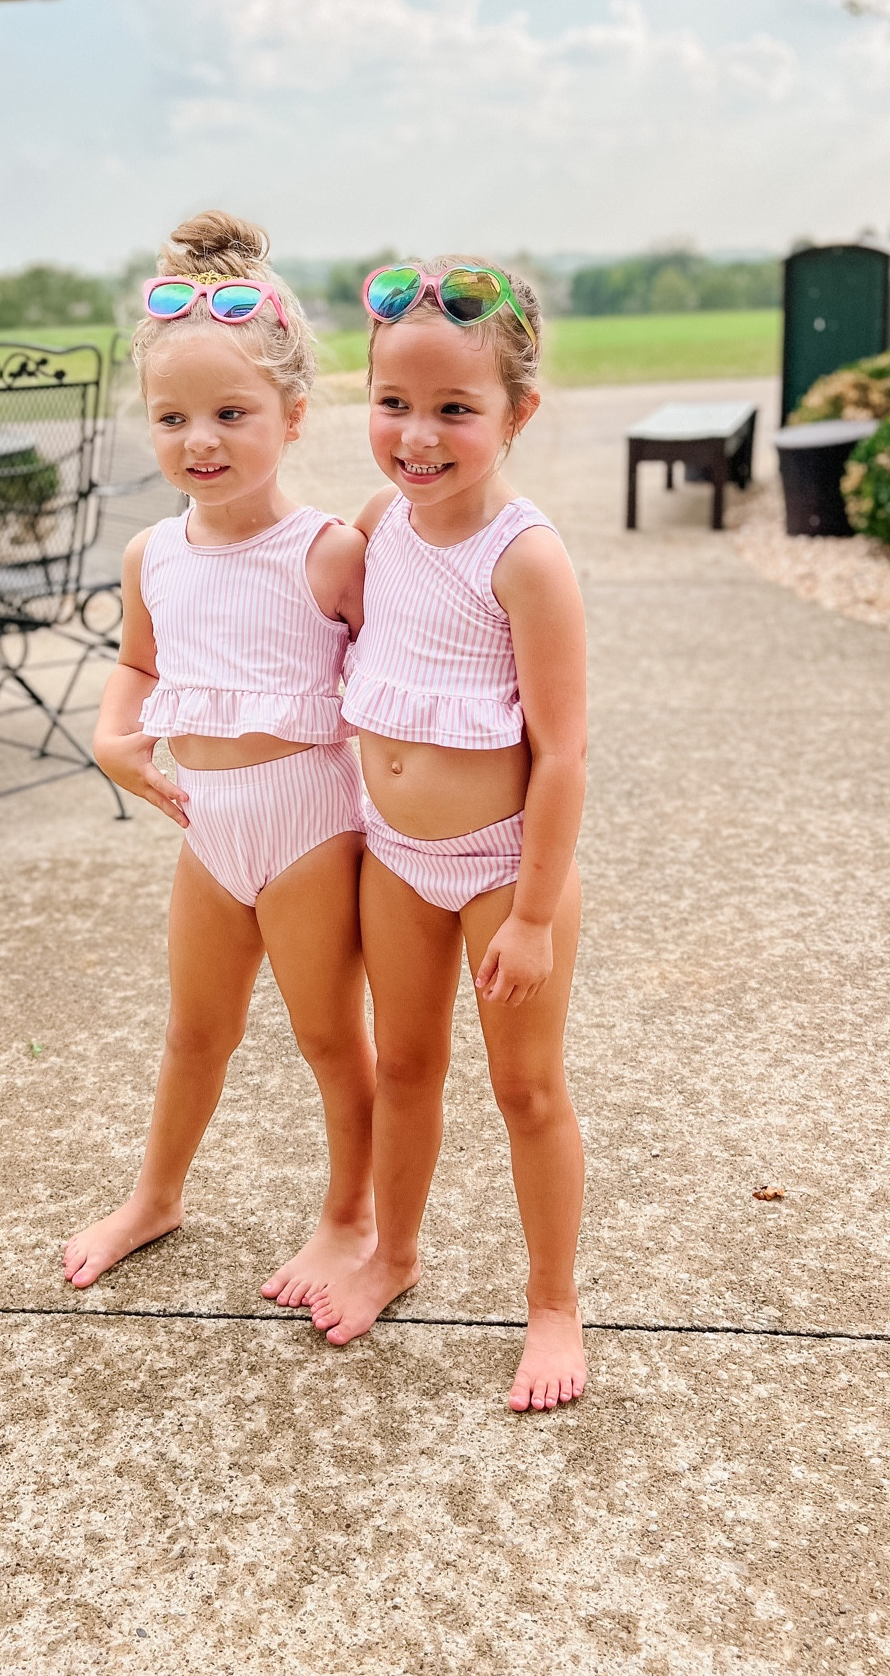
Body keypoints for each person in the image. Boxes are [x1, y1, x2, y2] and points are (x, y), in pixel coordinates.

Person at [64, 211, 376, 1307]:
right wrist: (112, 740)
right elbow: (136, 670)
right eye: (172, 417)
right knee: (195, 1026)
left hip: (308, 823)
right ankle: (156, 1191)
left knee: (330, 1036)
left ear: (293, 417)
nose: (201, 438)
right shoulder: (153, 552)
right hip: (207, 825)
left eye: (231, 413)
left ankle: (353, 1215)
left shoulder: (330, 550)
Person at [311, 259, 589, 1412]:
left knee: (524, 1089)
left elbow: (564, 753)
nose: (417, 436)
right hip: (396, 856)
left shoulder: (525, 558)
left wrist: (530, 915)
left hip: (501, 870)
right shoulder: (381, 525)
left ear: (517, 414)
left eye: (455, 410)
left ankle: (554, 1301)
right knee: (406, 1064)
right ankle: (392, 1247)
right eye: (394, 404)